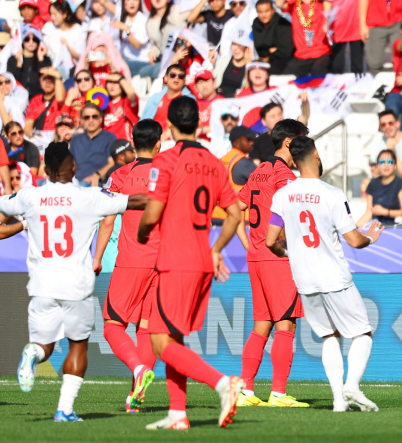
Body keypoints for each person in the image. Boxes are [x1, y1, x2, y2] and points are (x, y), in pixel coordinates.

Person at [5, 141, 146, 422]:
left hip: (42, 283)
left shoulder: (29, 196)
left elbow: (3, 205)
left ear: (45, 168)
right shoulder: (89, 197)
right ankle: (64, 410)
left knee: (43, 344)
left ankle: (31, 353)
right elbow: (134, 201)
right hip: (76, 285)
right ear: (73, 167)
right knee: (77, 345)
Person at [136, 96, 244, 430]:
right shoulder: (214, 163)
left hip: (175, 261)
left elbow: (152, 213)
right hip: (200, 259)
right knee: (175, 337)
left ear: (168, 125)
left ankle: (223, 384)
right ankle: (178, 413)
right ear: (198, 123)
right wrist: (217, 248)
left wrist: (142, 233)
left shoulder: (166, 160)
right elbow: (236, 212)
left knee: (159, 342)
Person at [266, 135, 385, 412]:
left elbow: (271, 240)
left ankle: (338, 401)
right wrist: (369, 238)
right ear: (317, 154)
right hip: (334, 276)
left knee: (329, 336)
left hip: (304, 280)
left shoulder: (282, 195)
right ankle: (352, 386)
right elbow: (354, 240)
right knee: (362, 333)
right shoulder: (331, 194)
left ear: (293, 161)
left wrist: (289, 254)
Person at [235, 119, 309, 407]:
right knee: (286, 325)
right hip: (277, 257)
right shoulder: (285, 176)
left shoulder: (259, 171)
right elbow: (291, 218)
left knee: (261, 325)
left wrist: (247, 244)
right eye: (302, 140)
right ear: (290, 142)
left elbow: (236, 208)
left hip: (256, 257)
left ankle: (246, 391)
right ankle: (278, 393)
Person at [93, 120, 162, 413]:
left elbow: (108, 218)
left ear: (132, 143)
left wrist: (96, 259)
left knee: (112, 326)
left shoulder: (120, 174)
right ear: (159, 143)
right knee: (145, 329)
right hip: (163, 262)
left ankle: (137, 369)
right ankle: (135, 397)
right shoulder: (168, 174)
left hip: (132, 260)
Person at [276, 0, 331, 76]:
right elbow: (279, 3)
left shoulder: (322, 2)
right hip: (301, 56)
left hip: (321, 53)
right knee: (285, 79)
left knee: (318, 73)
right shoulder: (293, 5)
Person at [99, 0, 152, 77]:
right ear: (123, 3)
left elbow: (137, 45)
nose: (132, 3)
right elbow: (103, 1)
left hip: (141, 62)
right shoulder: (121, 15)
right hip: (125, 61)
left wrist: (126, 29)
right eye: (128, 0)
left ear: (139, 2)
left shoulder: (143, 19)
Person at [319, 0, 364, 73]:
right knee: (337, 60)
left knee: (358, 60)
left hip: (358, 22)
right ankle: (337, 84)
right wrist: (327, 20)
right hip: (338, 22)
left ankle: (357, 85)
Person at [144, 0, 187, 80]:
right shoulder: (150, 22)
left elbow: (182, 30)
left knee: (156, 72)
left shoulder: (174, 10)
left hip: (179, 57)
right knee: (143, 71)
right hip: (163, 59)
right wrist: (152, 51)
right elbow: (156, 45)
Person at [69, 103, 117, 186]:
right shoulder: (76, 139)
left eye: (94, 116)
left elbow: (112, 162)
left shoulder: (110, 137)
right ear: (82, 120)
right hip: (76, 183)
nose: (91, 120)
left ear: (101, 119)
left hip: (100, 183)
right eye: (87, 117)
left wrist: (97, 175)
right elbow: (70, 163)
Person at [356, 150, 402, 227]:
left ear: (395, 165)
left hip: (393, 227)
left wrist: (386, 212)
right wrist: (355, 227)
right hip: (375, 226)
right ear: (378, 165)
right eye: (382, 162)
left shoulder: (400, 184)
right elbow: (369, 212)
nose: (386, 165)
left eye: (390, 162)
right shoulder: (373, 184)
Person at [142, 64, 195, 135]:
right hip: (152, 140)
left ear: (184, 81)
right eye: (173, 75)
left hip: (176, 140)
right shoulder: (154, 99)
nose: (176, 79)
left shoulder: (190, 101)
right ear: (166, 78)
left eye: (181, 76)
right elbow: (143, 122)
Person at [372, 109, 402, 182]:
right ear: (380, 128)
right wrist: (375, 170)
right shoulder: (381, 142)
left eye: (390, 123)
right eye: (383, 124)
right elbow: (377, 173)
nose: (387, 127)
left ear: (397, 124)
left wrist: (391, 151)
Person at [252, 0, 295, 75]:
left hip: (284, 63)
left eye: (267, 11)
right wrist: (270, 50)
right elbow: (258, 46)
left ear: (273, 10)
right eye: (260, 12)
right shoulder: (255, 24)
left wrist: (269, 57)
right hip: (261, 61)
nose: (264, 15)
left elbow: (286, 51)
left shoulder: (282, 24)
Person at [6, 26, 51, 100]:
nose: (31, 42)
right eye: (27, 39)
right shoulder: (13, 59)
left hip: (38, 99)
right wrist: (18, 64)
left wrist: (41, 60)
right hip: (18, 99)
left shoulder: (45, 60)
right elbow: (11, 82)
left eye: (35, 39)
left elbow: (46, 80)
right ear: (22, 41)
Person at [42, 0, 85, 74]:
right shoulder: (48, 28)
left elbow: (81, 57)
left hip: (74, 70)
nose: (52, 17)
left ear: (65, 13)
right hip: (52, 68)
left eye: (55, 14)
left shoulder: (78, 29)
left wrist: (68, 47)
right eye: (51, 14)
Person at [24, 67, 67, 137]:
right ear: (39, 81)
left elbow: (60, 99)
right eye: (44, 79)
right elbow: (28, 123)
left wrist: (58, 76)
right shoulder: (35, 100)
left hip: (57, 136)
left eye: (51, 78)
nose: (48, 82)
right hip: (39, 137)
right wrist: (32, 137)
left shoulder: (64, 96)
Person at [214, 33, 255, 98]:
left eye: (240, 45)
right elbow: (211, 79)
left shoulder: (251, 66)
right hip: (218, 98)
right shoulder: (223, 61)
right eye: (234, 44)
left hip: (236, 100)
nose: (236, 49)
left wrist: (248, 64)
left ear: (247, 48)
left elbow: (248, 90)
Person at [102, 73, 139, 141]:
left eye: (116, 82)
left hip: (125, 143)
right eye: (110, 82)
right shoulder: (103, 103)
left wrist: (121, 79)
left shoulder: (127, 101)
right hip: (106, 143)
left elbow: (131, 93)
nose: (112, 86)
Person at [194, 70, 224, 140]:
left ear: (215, 84)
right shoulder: (194, 105)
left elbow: (225, 127)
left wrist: (202, 130)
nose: (204, 85)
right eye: (200, 82)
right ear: (196, 88)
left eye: (207, 81)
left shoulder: (222, 103)